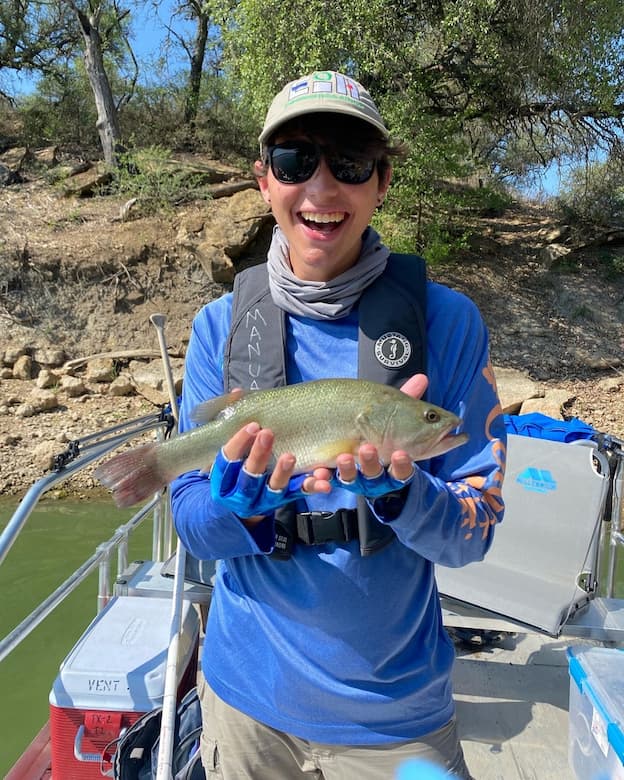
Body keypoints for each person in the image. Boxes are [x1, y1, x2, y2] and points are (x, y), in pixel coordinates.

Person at [171, 69, 506, 779]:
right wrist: (239, 509)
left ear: (382, 182)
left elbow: (475, 531)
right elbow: (194, 526)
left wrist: (401, 495)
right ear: (264, 180)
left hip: (398, 720)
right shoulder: (218, 329)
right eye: (296, 160)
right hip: (245, 703)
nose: (322, 189)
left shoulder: (448, 324)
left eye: (350, 163)